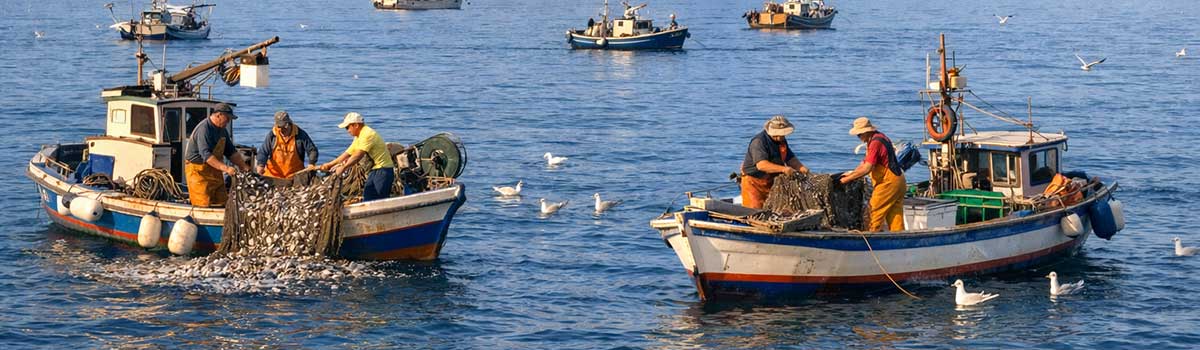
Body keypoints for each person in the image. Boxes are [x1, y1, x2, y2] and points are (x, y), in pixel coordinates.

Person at [839, 117, 907, 232]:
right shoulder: (878, 138)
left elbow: (867, 168)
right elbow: (865, 163)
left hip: (888, 183)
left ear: (867, 131)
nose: (858, 136)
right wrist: (851, 173)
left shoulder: (875, 143)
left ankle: (870, 238)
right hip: (899, 181)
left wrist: (846, 180)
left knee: (872, 212)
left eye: (859, 134)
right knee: (895, 216)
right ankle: (899, 239)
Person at [184, 103, 251, 207]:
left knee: (223, 201)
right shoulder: (204, 129)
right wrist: (226, 169)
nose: (228, 121)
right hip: (198, 171)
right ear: (218, 115)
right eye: (227, 118)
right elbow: (207, 156)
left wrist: (243, 166)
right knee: (203, 203)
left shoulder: (223, 131)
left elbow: (231, 152)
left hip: (215, 170)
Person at [318, 112, 396, 202]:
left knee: (379, 200)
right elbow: (348, 153)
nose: (347, 131)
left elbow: (358, 155)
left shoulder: (367, 134)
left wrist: (343, 167)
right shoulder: (359, 136)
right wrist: (330, 164)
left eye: (347, 127)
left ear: (356, 125)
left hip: (383, 170)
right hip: (375, 170)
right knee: (368, 197)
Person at [740, 115, 811, 209]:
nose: (782, 136)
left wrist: (802, 168)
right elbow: (761, 165)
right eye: (780, 134)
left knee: (775, 209)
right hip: (753, 182)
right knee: (754, 211)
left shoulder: (781, 141)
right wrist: (784, 169)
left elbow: (790, 158)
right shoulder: (759, 142)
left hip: (771, 182)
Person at [256, 110, 319, 182]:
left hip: (295, 176)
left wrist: (311, 163)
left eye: (284, 127)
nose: (282, 130)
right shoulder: (272, 135)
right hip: (273, 176)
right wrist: (260, 165)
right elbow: (263, 152)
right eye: (279, 127)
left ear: (289, 124)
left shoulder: (300, 134)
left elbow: (312, 150)